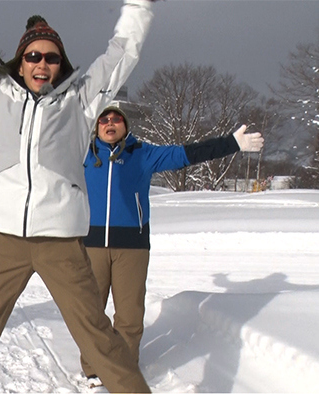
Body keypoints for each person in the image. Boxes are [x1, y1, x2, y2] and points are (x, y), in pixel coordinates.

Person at [0, 0, 156, 392]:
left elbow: (122, 53)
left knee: (98, 337)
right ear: (20, 62)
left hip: (60, 243)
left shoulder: (80, 103)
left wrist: (139, 6)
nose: (42, 64)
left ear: (61, 64)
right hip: (4, 241)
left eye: (51, 57)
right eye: (33, 55)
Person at [80, 105, 264, 388]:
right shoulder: (83, 154)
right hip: (91, 244)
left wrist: (232, 143)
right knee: (91, 312)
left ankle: (124, 370)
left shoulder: (142, 153)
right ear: (96, 126)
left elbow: (186, 154)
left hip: (132, 246)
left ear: (126, 126)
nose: (110, 123)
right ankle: (93, 369)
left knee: (129, 315)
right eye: (104, 119)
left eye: (117, 118)